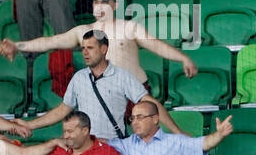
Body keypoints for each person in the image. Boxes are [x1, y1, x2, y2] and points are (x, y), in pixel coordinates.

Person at [1, 0, 197, 91]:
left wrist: (183, 57)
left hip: (134, 92)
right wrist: (18, 45)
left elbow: (156, 46)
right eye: (96, 2)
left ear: (115, 5)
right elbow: (50, 41)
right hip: (104, 93)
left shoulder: (129, 27)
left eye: (104, 2)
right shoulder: (83, 31)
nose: (99, 7)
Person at [25, 28, 181, 140]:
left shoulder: (122, 76)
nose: (85, 52)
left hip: (113, 147)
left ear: (104, 49)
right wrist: (30, 125)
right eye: (83, 48)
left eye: (90, 48)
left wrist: (177, 131)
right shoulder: (79, 78)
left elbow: (150, 103)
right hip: (87, 147)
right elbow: (62, 110)